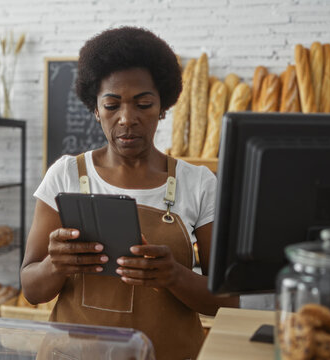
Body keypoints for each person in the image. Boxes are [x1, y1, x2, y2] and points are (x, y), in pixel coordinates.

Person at [21, 26, 238, 360]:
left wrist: (175, 276)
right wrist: (55, 265)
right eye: (111, 105)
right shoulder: (64, 175)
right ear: (95, 109)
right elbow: (31, 289)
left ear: (163, 107)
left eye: (144, 104)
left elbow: (227, 301)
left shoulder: (198, 183)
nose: (127, 119)